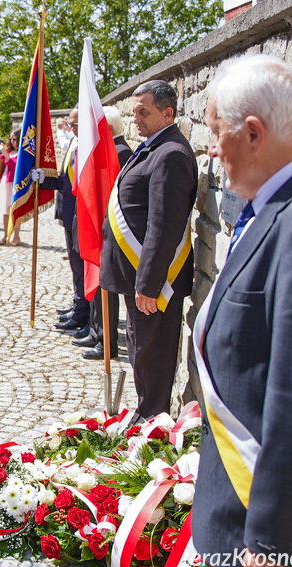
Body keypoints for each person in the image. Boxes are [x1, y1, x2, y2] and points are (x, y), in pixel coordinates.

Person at [194, 54, 292, 567]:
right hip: (234, 505)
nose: (211, 148)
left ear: (252, 133)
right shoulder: (277, 207)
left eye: (215, 132)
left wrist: (275, 545)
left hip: (267, 542)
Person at [100, 80, 196, 420]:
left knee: (151, 354)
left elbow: (163, 225)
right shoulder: (153, 146)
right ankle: (145, 414)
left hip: (154, 281)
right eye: (135, 110)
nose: (135, 118)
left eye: (144, 112)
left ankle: (152, 421)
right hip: (138, 273)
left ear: (167, 113)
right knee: (140, 349)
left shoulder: (171, 154)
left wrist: (149, 283)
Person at [75, 106, 131, 360]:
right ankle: (98, 331)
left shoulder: (119, 152)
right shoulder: (109, 149)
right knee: (97, 285)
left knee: (105, 287)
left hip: (108, 229)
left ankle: (106, 339)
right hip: (100, 228)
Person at [54, 111, 88, 333]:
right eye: (70, 122)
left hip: (80, 214)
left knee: (81, 265)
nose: (70, 126)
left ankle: (83, 312)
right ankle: (78, 303)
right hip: (68, 212)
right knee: (75, 266)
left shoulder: (86, 145)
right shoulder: (75, 141)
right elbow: (65, 179)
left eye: (74, 123)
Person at [0, 129, 21, 246]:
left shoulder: (21, 153)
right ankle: (6, 235)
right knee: (5, 210)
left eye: (14, 139)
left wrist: (4, 153)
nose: (12, 141)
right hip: (5, 181)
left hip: (15, 182)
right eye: (10, 139)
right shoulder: (8, 151)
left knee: (15, 210)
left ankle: (16, 236)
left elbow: (15, 166)